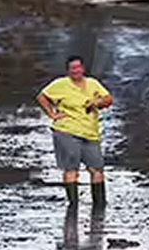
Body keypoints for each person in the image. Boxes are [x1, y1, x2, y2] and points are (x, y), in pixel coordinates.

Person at [37, 56, 113, 209]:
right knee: (71, 168)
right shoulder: (60, 84)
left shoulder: (92, 83)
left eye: (78, 67)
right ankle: (73, 206)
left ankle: (100, 206)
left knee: (97, 169)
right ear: (68, 70)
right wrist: (52, 114)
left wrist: (98, 102)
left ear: (83, 69)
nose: (76, 71)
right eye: (72, 68)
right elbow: (42, 97)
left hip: (90, 132)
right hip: (66, 130)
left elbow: (108, 99)